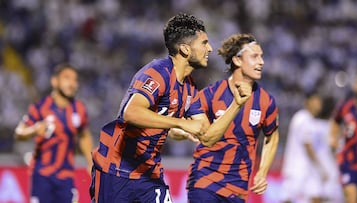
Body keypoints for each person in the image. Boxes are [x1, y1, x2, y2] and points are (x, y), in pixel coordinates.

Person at [90, 13, 252, 203]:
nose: (209, 48)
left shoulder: (189, 88)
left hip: (149, 176)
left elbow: (207, 136)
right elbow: (130, 112)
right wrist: (181, 123)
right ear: (185, 49)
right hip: (116, 171)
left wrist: (236, 105)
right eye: (204, 43)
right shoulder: (158, 72)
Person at [185, 33, 280, 203]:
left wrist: (262, 172)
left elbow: (272, 137)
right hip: (205, 180)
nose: (261, 62)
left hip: (237, 187)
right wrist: (181, 131)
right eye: (254, 56)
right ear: (237, 60)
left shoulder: (266, 101)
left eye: (262, 56)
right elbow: (186, 125)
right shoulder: (211, 94)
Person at [14, 64, 94, 203]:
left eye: (75, 80)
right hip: (42, 175)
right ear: (55, 81)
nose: (72, 83)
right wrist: (34, 130)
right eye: (67, 78)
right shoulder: (41, 107)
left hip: (66, 176)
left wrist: (90, 160)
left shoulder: (79, 109)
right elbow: (19, 132)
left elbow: (84, 134)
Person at [281, 92, 330, 203]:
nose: (319, 104)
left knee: (316, 197)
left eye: (320, 101)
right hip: (296, 167)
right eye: (316, 101)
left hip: (308, 169)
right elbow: (308, 146)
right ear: (308, 102)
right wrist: (321, 167)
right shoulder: (302, 118)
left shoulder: (311, 120)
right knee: (288, 199)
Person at [329, 73, 357, 203]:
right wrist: (332, 139)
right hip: (349, 161)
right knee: (351, 197)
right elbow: (335, 121)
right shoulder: (345, 107)